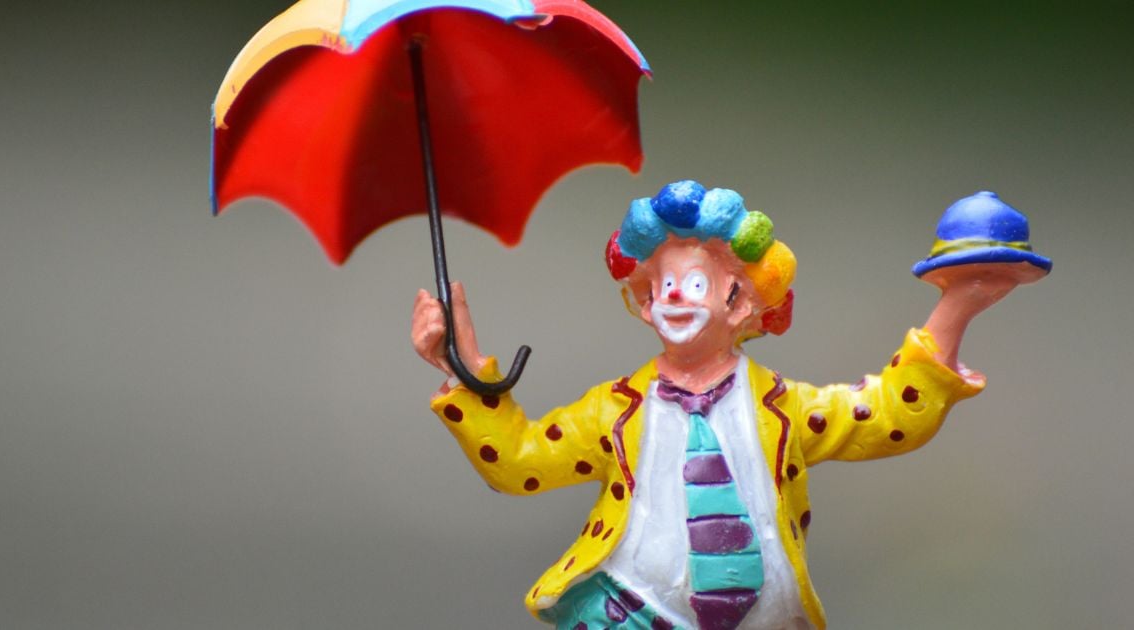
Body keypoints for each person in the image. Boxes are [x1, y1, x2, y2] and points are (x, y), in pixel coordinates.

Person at [411, 181, 1021, 630]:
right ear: (645, 303)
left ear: (741, 302)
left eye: (696, 283)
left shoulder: (782, 409)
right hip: (632, 616)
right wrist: (462, 367)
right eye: (663, 285)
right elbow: (520, 461)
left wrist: (956, 307)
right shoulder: (614, 412)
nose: (676, 298)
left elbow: (884, 417)